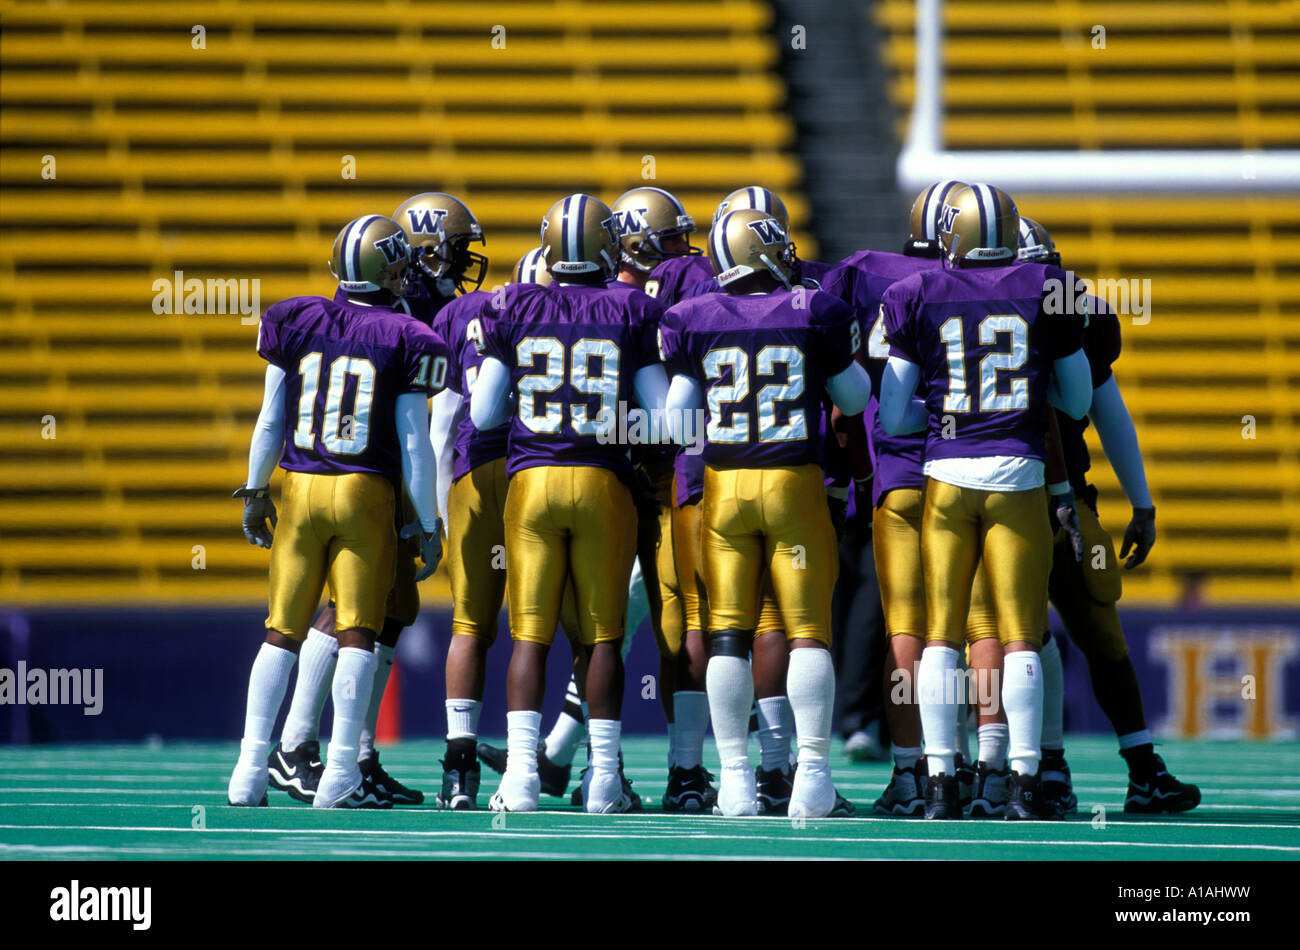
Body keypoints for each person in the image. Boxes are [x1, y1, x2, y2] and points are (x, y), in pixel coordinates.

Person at [879, 183, 1093, 820]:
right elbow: (1077, 403)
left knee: (941, 635)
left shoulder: (914, 294)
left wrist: (949, 414)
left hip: (946, 477)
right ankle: (1024, 782)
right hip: (1020, 474)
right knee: (1023, 635)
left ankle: (941, 780)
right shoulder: (1047, 289)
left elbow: (892, 412)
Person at [227, 214, 447, 809]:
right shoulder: (406, 335)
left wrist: (253, 490)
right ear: (391, 268)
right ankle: (340, 773)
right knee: (357, 634)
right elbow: (412, 442)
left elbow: (271, 419)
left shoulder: (295, 319)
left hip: (298, 487)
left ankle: (249, 771)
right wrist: (427, 522)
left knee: (280, 633)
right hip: (363, 492)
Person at [661, 208, 871, 817]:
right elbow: (854, 398)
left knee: (727, 633)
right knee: (807, 631)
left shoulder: (690, 317)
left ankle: (733, 783)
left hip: (723, 488)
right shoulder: (813, 309)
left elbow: (676, 423)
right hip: (793, 482)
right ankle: (811, 783)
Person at [470, 194, 669, 813]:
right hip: (602, 484)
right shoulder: (634, 307)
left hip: (531, 484)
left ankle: (523, 779)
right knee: (603, 638)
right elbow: (664, 423)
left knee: (530, 638)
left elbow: (482, 413)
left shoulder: (511, 304)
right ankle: (603, 781)